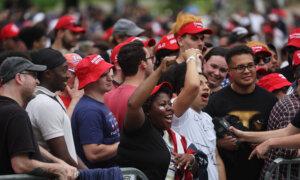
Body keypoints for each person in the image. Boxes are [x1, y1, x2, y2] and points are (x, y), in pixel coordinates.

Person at [117, 56, 205, 179]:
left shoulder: (175, 138)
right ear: (148, 111)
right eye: (163, 105)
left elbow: (200, 163)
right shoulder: (138, 130)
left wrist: (190, 160)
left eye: (170, 103)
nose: (170, 108)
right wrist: (159, 71)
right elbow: (133, 104)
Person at [204, 45, 277, 180]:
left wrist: (265, 143)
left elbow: (280, 134)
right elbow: (201, 139)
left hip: (261, 173)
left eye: (250, 65)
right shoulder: (214, 101)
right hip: (225, 173)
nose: (247, 71)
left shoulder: (270, 100)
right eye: (240, 67)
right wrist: (219, 143)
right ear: (229, 71)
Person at [0, 57, 77, 179]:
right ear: (19, 78)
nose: (37, 82)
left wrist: (58, 162)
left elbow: (24, 145)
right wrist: (58, 169)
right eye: (34, 76)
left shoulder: (9, 110)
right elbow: (20, 164)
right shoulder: (16, 114)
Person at [171, 48, 226, 179]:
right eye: (200, 83)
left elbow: (216, 160)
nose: (206, 87)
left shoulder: (207, 118)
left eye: (206, 84)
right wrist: (191, 58)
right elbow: (192, 86)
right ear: (182, 90)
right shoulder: (178, 112)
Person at [26, 48, 86, 169]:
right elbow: (62, 156)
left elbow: (70, 151)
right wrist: (88, 176)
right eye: (64, 69)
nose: (68, 75)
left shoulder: (53, 97)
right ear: (48, 74)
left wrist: (89, 173)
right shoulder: (44, 103)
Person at [72, 54, 120, 169]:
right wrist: (123, 145)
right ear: (90, 80)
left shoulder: (96, 105)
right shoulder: (89, 110)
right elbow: (93, 153)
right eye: (103, 75)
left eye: (109, 73)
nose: (110, 78)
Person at [105, 39, 155, 128]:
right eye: (150, 58)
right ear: (143, 64)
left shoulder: (108, 96)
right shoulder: (143, 96)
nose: (153, 61)